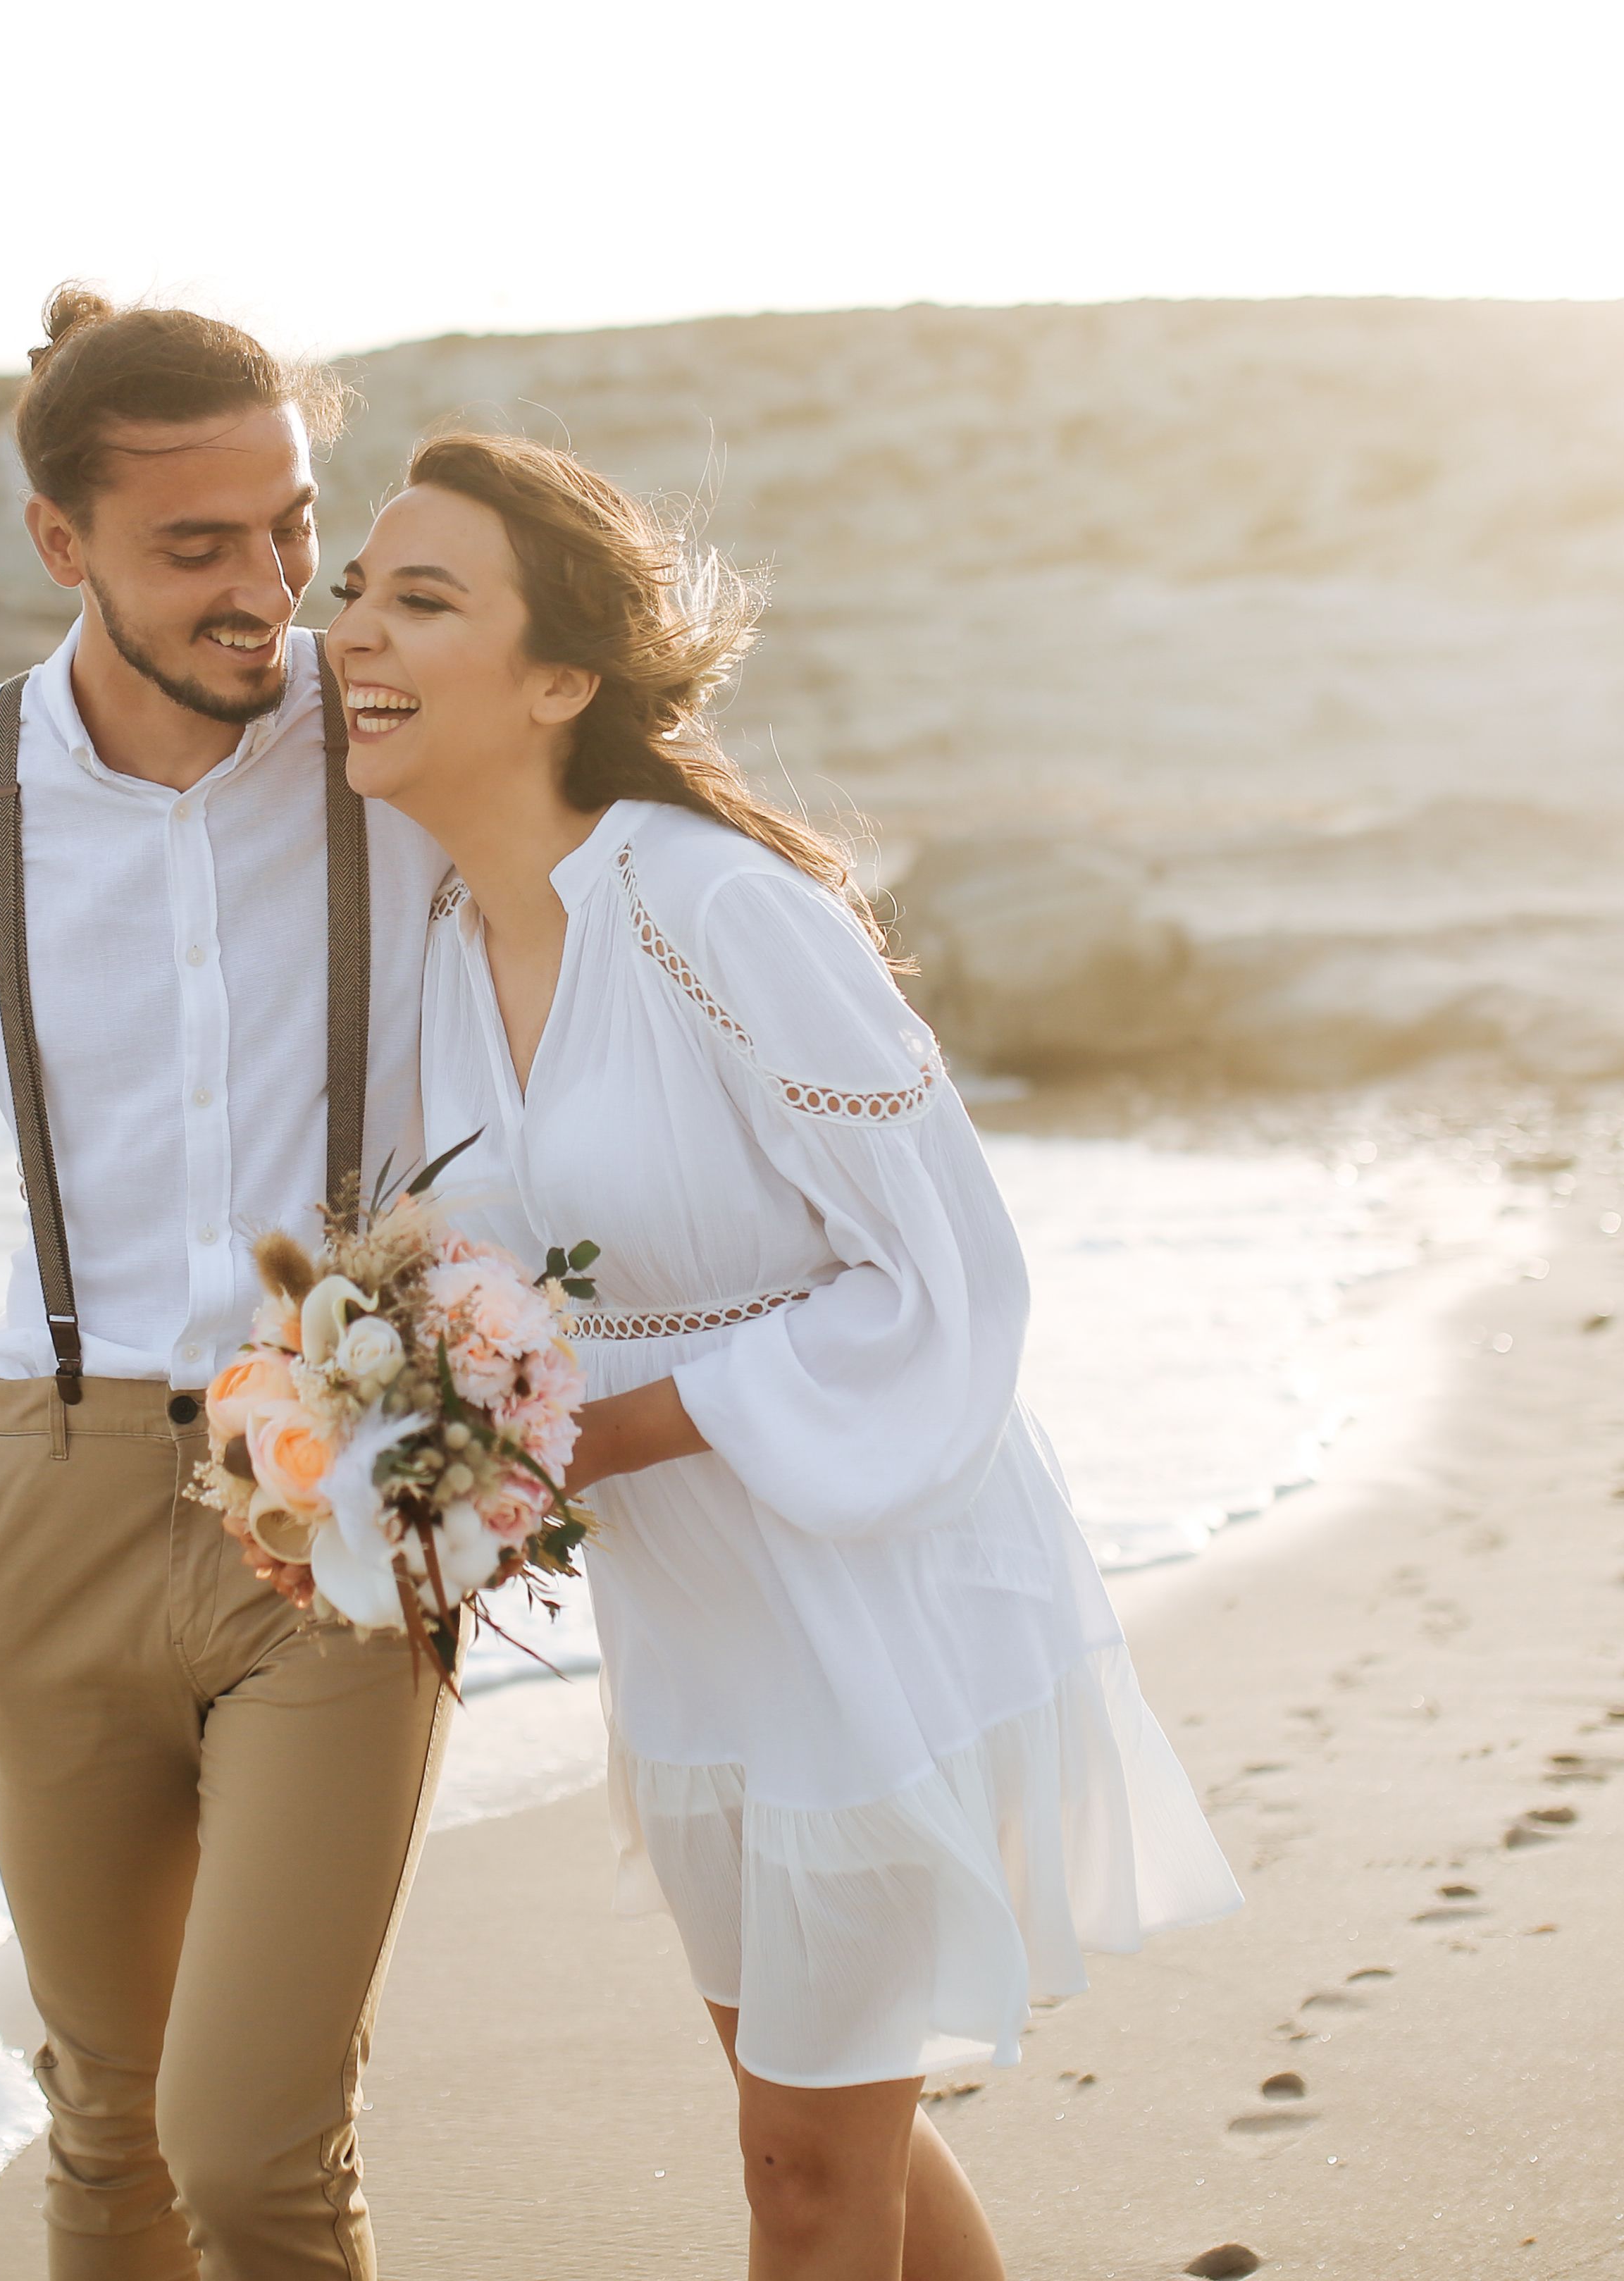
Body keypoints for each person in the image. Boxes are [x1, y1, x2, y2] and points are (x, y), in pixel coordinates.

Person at [325, 433, 1242, 2281]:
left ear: (564, 677)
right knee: (847, 2155)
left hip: (873, 1588)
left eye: (424, 598)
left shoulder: (714, 909)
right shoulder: (434, 931)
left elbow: (945, 1275)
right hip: (694, 1616)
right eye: (352, 588)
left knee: (805, 2180)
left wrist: (597, 1436)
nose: (355, 627)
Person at [0, 289, 445, 2281]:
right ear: (59, 545)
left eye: (292, 526)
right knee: (108, 2142)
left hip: (335, 1503)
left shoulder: (398, 737)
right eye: (197, 550)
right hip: (44, 1506)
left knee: (251, 2154)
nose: (272, 592)